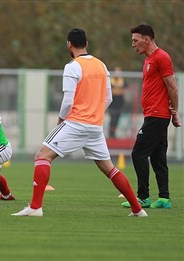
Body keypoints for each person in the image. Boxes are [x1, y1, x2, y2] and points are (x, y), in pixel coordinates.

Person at [12, 28, 147, 217]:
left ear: (69, 44)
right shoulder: (101, 65)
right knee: (109, 168)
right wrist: (94, 114)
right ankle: (138, 210)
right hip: (95, 126)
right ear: (87, 44)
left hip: (76, 123)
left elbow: (68, 100)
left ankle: (35, 208)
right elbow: (108, 98)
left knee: (42, 156)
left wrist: (61, 120)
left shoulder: (72, 66)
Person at [121, 24, 181, 209]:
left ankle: (143, 197)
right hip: (153, 115)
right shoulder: (148, 60)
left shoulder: (161, 57)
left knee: (138, 153)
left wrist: (175, 112)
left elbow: (172, 86)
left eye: (135, 40)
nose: (133, 44)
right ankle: (164, 198)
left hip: (157, 115)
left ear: (147, 39)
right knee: (158, 157)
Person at [108, 66, 128, 138]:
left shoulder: (123, 81)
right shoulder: (110, 80)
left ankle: (114, 133)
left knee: (117, 118)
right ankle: (111, 133)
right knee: (112, 118)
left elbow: (126, 89)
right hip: (112, 103)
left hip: (120, 102)